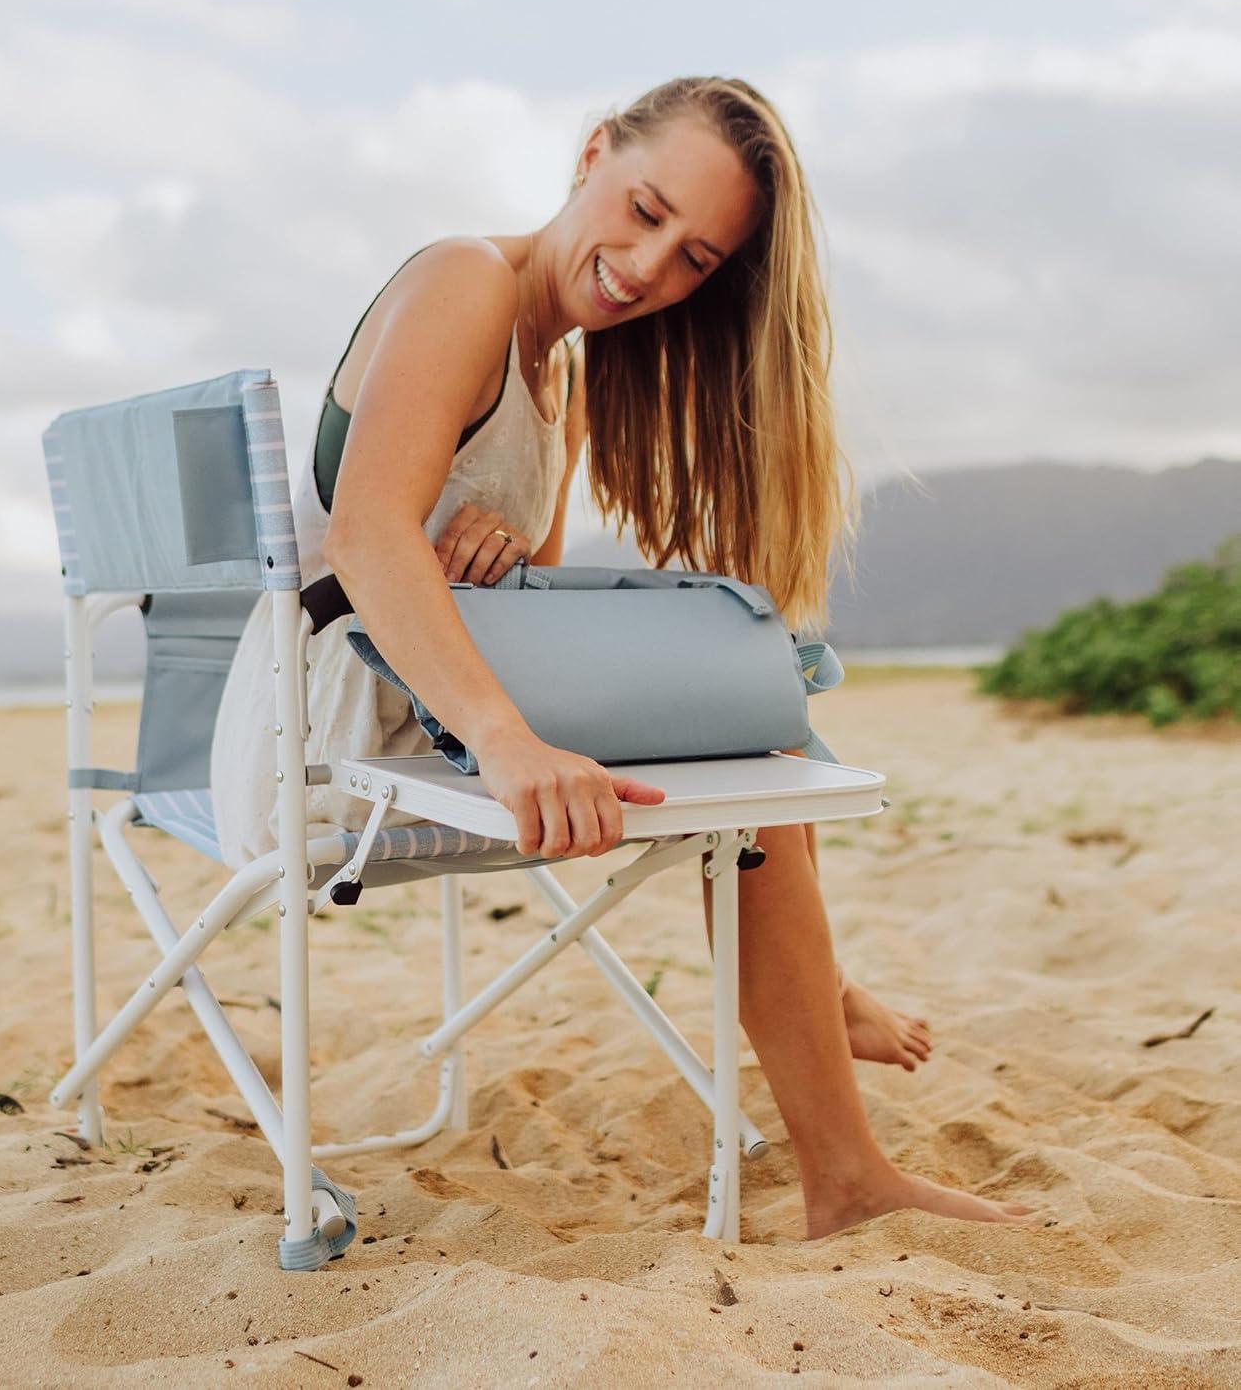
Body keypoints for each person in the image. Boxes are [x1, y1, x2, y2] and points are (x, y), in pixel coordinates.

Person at [211, 76, 1032, 1236]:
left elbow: (520, 594)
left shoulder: (565, 378)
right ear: (592, 151)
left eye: (695, 258)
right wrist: (505, 740)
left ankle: (844, 1159)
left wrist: (492, 559)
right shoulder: (465, 280)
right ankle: (833, 1091)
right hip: (332, 719)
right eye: (645, 210)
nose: (649, 269)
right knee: (751, 772)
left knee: (749, 737)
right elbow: (363, 533)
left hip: (429, 682)